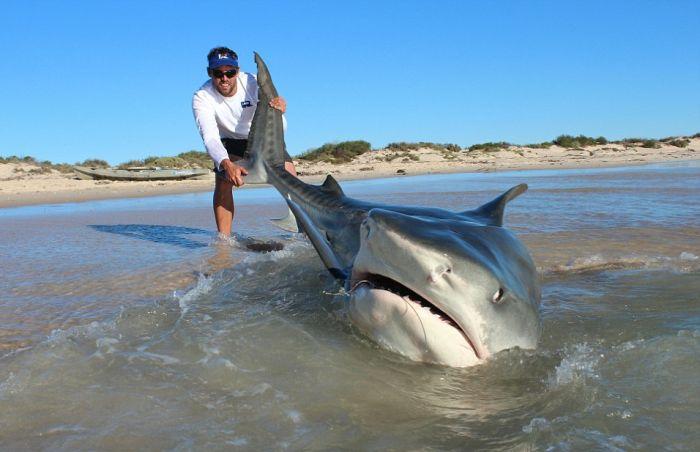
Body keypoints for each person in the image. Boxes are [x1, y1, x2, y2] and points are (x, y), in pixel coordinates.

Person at [192, 46, 297, 237]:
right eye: (218, 73)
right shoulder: (202, 97)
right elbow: (210, 137)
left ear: (237, 71)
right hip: (231, 142)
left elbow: (275, 109)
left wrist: (281, 105)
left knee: (291, 178)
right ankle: (224, 240)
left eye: (230, 72)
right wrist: (225, 164)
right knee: (223, 181)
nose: (224, 78)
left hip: (263, 138)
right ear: (209, 73)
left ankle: (304, 230)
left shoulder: (251, 82)